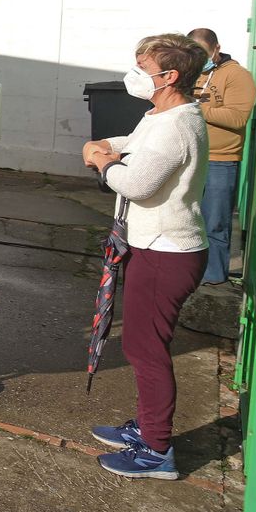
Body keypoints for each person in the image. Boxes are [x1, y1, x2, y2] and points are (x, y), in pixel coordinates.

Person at [82, 33, 210, 480]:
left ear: (169, 76)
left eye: (143, 67)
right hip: (153, 247)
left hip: (166, 253)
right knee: (143, 344)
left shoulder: (178, 125)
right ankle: (148, 428)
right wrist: (105, 146)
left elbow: (136, 183)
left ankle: (156, 451)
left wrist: (102, 161)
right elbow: (132, 144)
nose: (135, 75)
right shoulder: (161, 115)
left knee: (144, 349)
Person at [186, 28, 256, 285]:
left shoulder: (237, 76)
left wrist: (196, 108)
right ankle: (189, 272)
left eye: (202, 54)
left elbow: (238, 117)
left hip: (220, 159)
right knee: (186, 219)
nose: (197, 59)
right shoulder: (189, 72)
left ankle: (213, 277)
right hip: (189, 156)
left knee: (214, 221)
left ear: (216, 48)